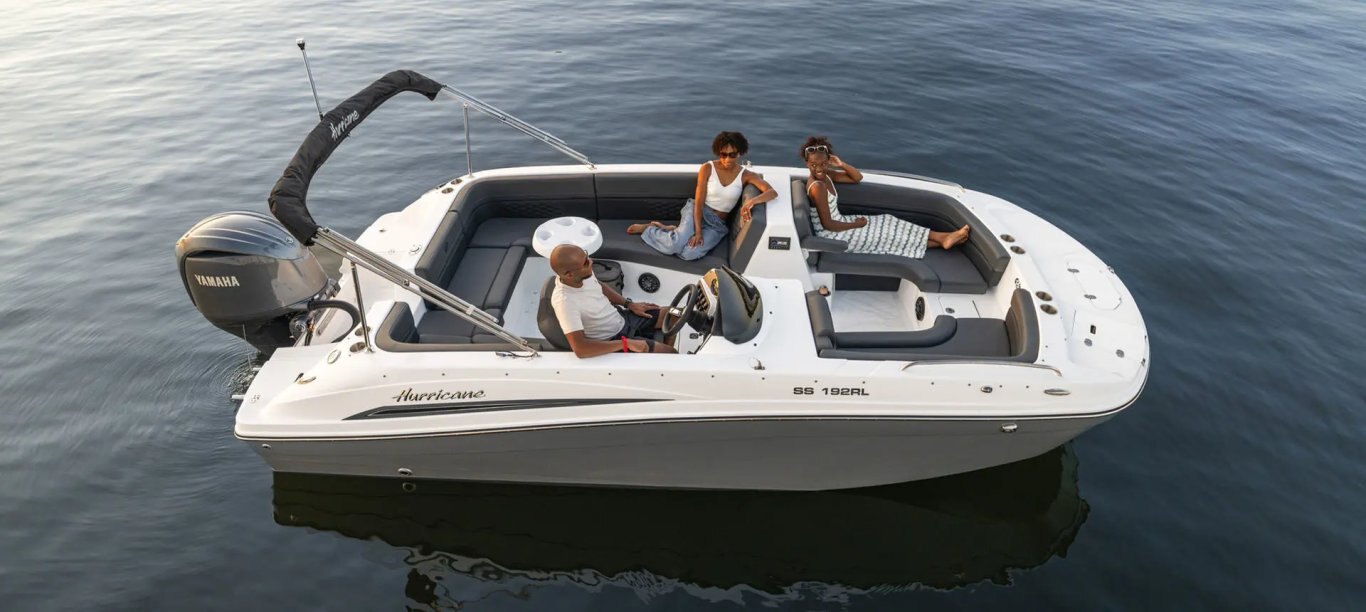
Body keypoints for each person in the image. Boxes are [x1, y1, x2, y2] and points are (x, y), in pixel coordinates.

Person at [802, 136, 969, 258]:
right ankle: (943, 239)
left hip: (839, 223)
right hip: (831, 235)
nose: (819, 168)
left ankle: (943, 239)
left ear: (829, 160)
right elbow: (828, 224)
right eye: (813, 165)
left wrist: (841, 164)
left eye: (823, 163)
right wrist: (855, 224)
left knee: (887, 221)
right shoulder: (818, 187)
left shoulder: (826, 175)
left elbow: (857, 178)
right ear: (807, 163)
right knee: (887, 235)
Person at [628, 131, 776, 260]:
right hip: (697, 211)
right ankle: (651, 229)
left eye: (732, 155)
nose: (727, 159)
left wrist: (752, 201)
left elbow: (771, 192)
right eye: (723, 154)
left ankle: (673, 231)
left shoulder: (746, 175)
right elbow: (699, 202)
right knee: (674, 246)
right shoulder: (707, 168)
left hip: (716, 224)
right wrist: (698, 232)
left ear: (739, 153)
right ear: (718, 153)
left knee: (689, 253)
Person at [548, 244, 678, 357]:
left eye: (586, 256)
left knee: (674, 314)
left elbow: (598, 286)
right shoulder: (565, 302)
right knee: (671, 354)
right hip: (612, 339)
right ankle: (661, 357)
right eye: (586, 263)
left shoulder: (582, 274)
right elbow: (580, 349)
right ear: (569, 274)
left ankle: (658, 356)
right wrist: (626, 343)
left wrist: (629, 304)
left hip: (621, 318)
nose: (591, 261)